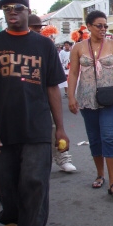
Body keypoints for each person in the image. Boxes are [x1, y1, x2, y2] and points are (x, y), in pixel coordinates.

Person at [0, 0, 70, 226]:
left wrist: (60, 128)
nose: (12, 11)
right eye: (7, 7)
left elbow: (51, 88)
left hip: (36, 127)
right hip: (0, 128)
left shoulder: (44, 46)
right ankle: (11, 218)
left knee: (35, 184)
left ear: (27, 10)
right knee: (3, 181)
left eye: (18, 7)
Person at [68, 10, 113, 196]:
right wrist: (71, 97)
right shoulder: (78, 48)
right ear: (89, 26)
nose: (103, 29)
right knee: (95, 139)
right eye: (99, 25)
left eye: (105, 26)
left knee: (109, 137)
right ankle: (100, 175)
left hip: (111, 100)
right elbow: (74, 73)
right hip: (87, 100)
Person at [28, 18, 77, 173]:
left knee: (54, 126)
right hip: (20, 98)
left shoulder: (44, 45)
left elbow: (54, 81)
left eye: (39, 28)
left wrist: (69, 96)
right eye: (33, 28)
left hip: (43, 95)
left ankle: (63, 158)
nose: (37, 30)